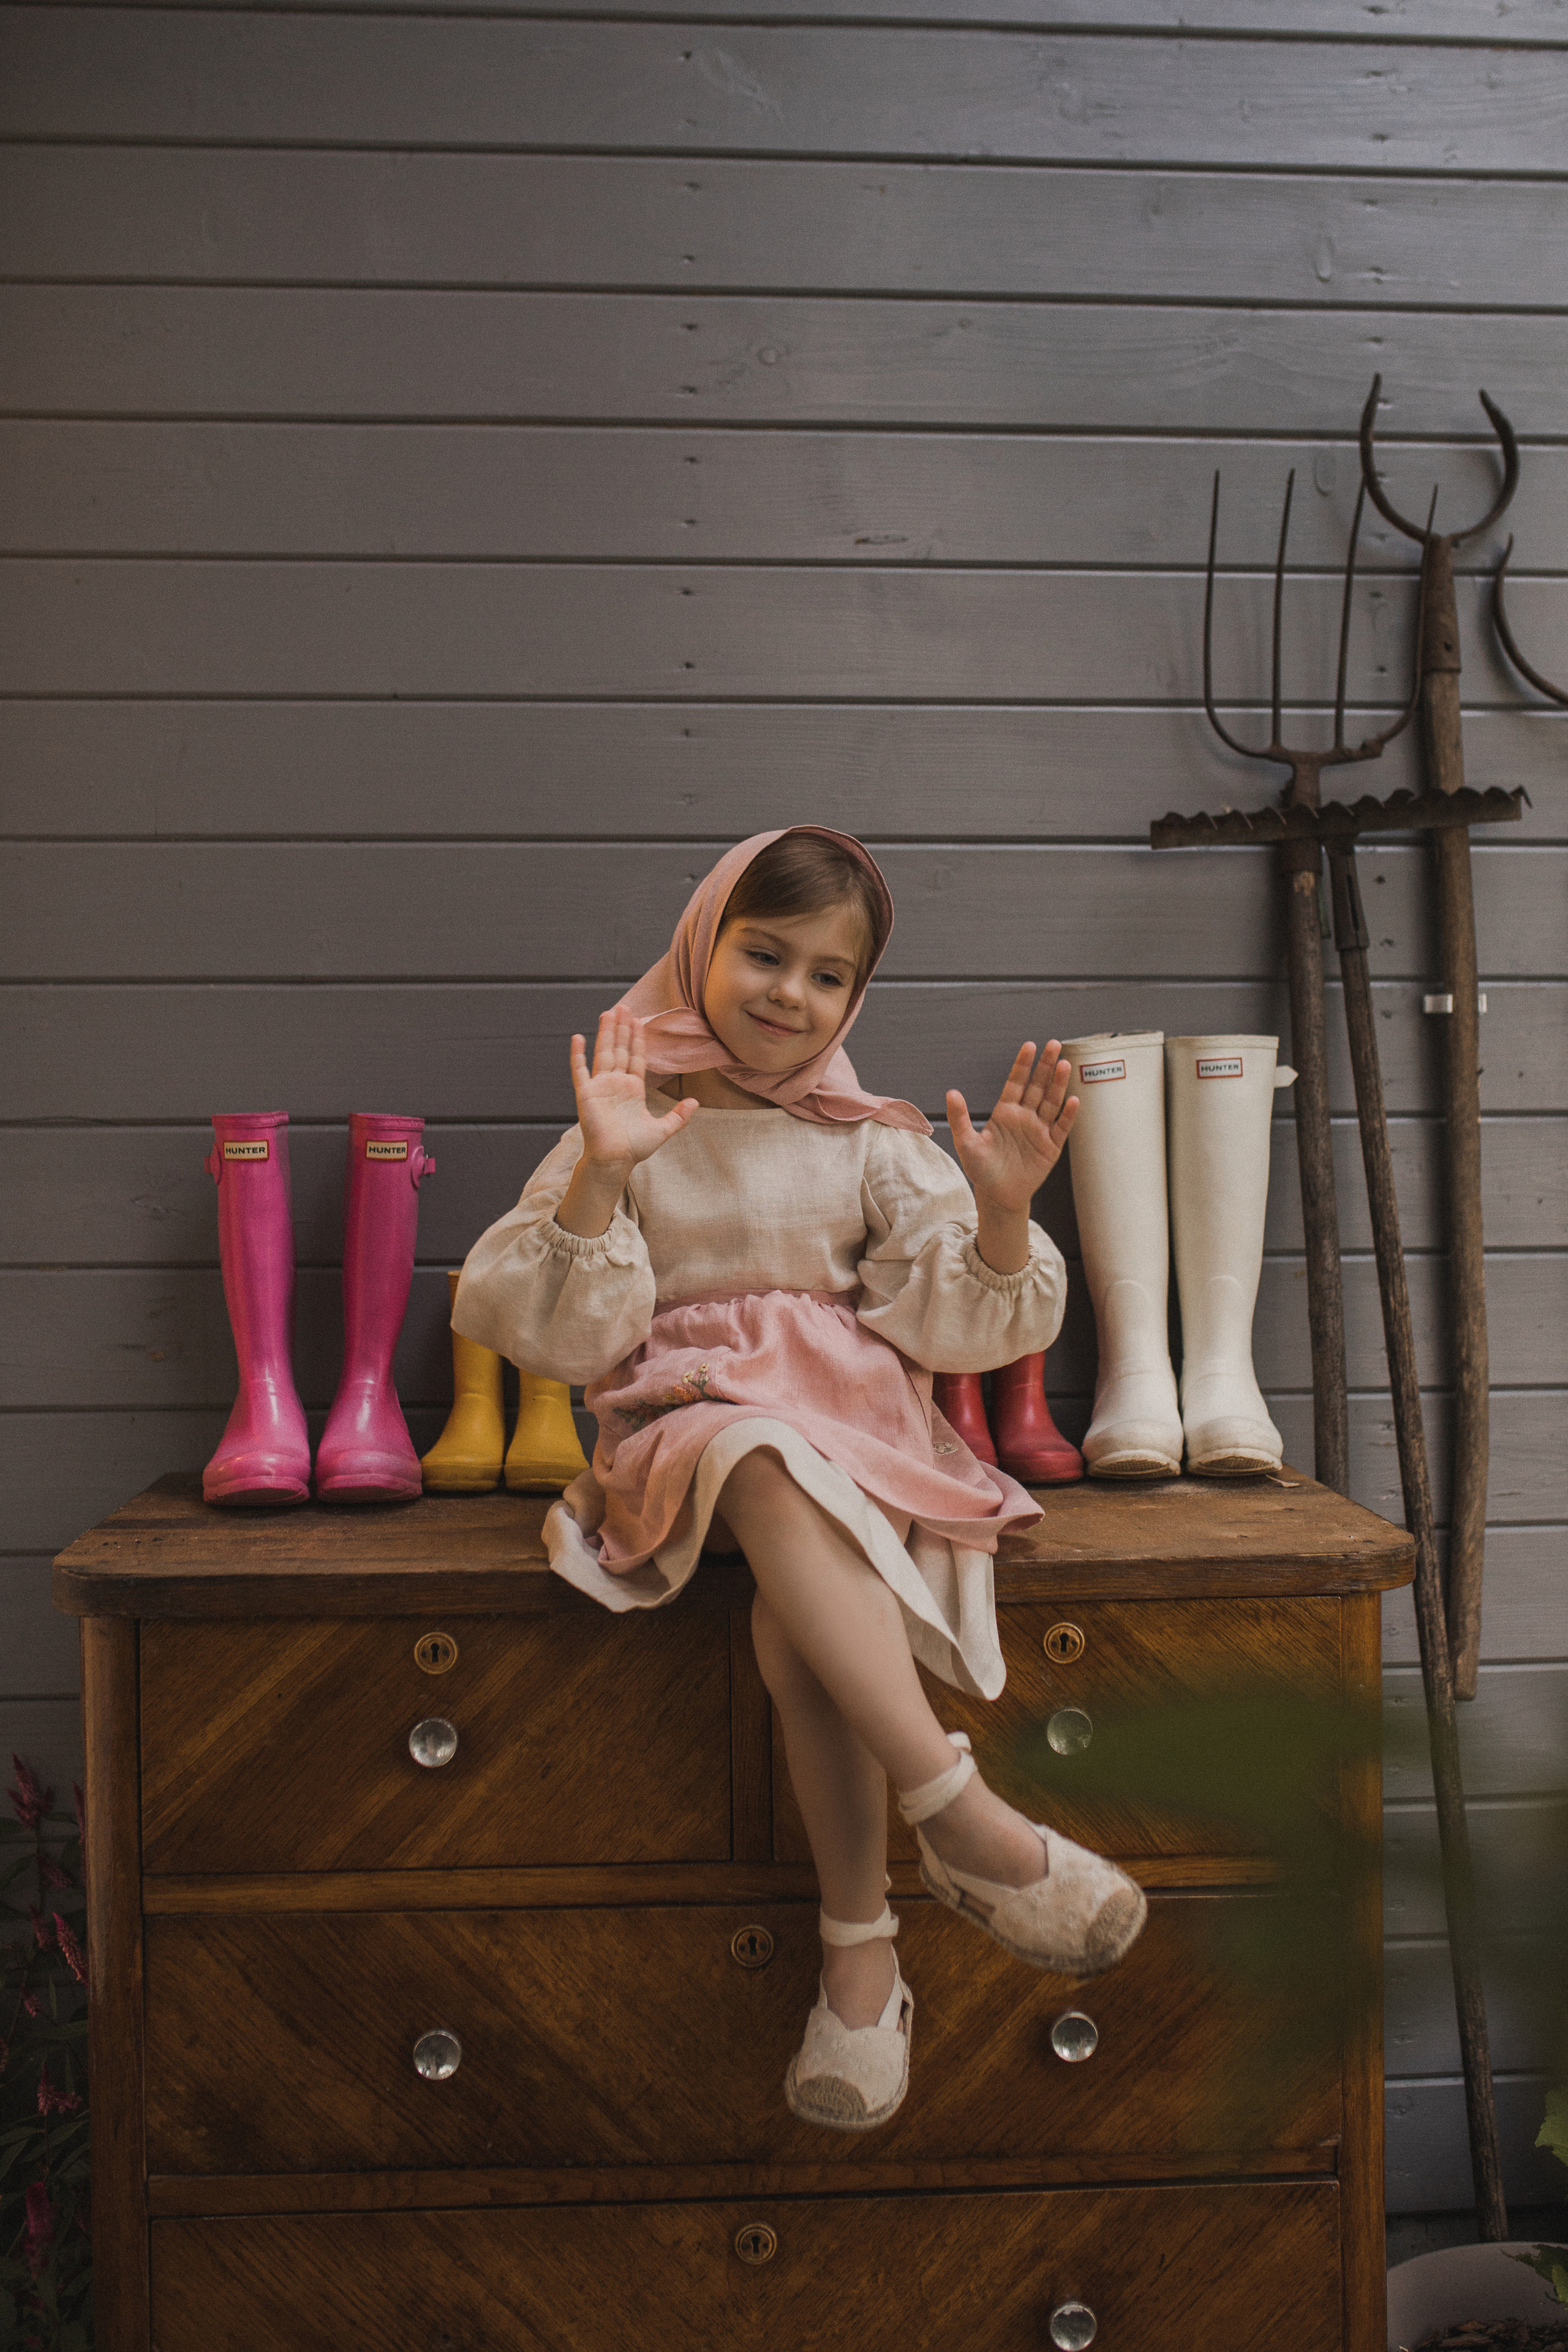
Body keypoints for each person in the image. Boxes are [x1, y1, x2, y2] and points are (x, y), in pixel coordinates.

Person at [454, 827, 1145, 2132]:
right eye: (764, 955)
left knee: (801, 1631)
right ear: (700, 947)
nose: (791, 993)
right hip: (690, 1433)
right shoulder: (636, 1114)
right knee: (757, 1449)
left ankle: (858, 1963)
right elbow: (547, 1327)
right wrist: (603, 1171)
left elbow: (961, 1325)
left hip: (854, 1439)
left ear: (856, 997)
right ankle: (958, 1813)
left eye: (828, 976)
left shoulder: (870, 1140)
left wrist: (1003, 1211)